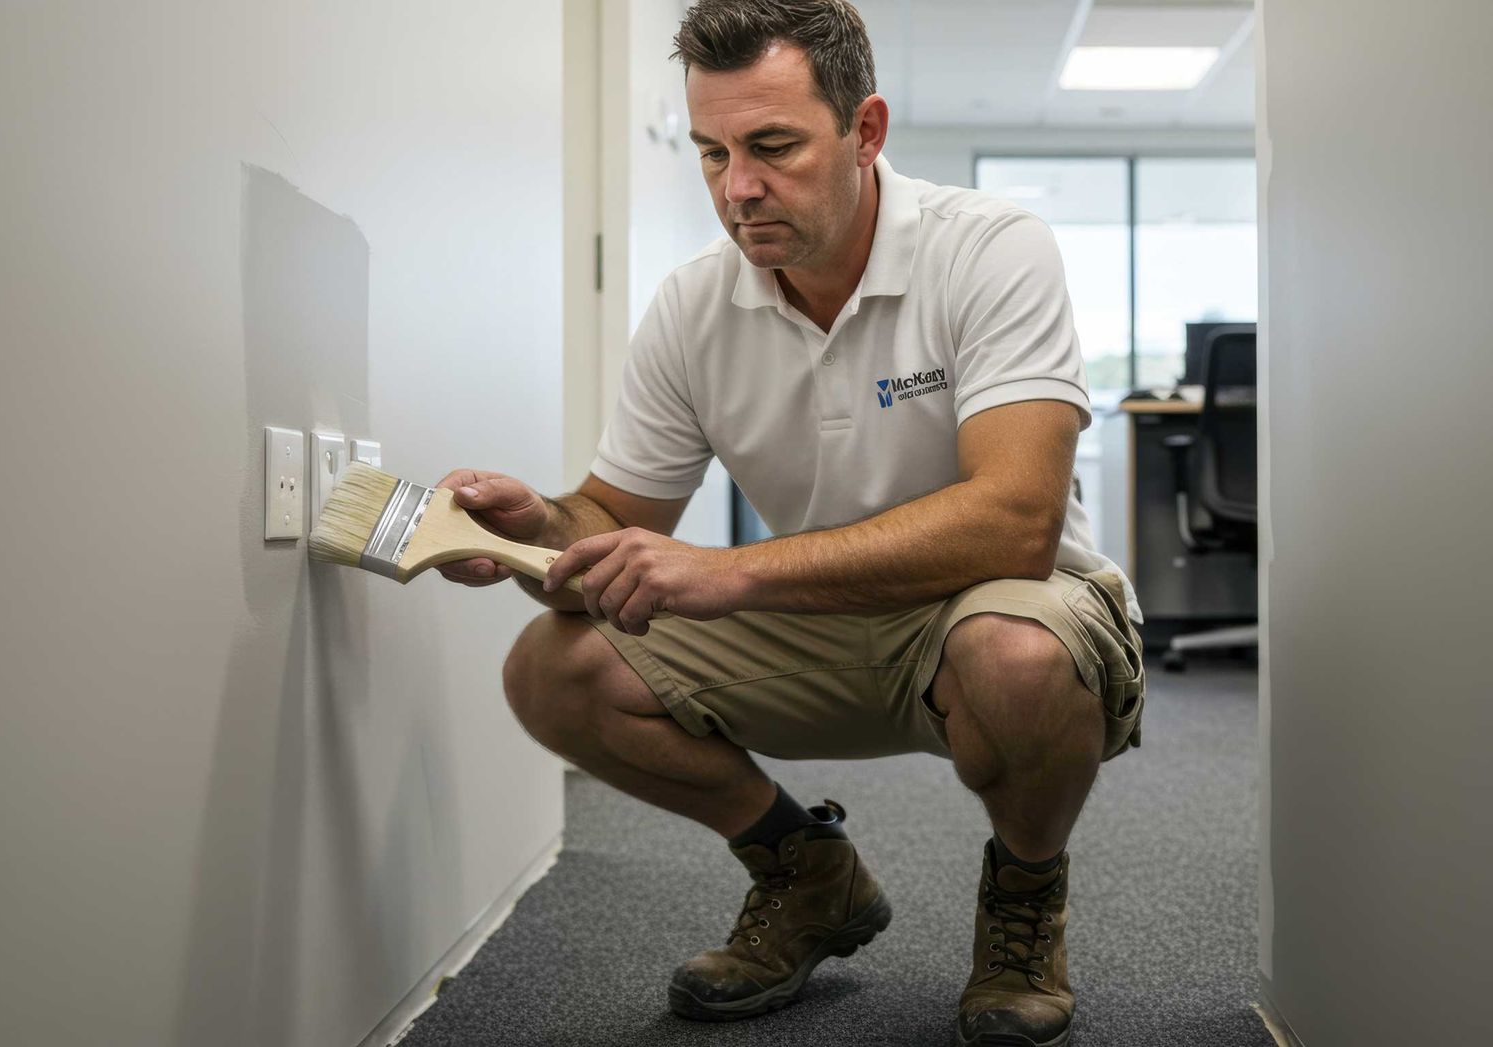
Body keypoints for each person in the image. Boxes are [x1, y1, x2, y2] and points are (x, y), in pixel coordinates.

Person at [435, 1, 1144, 1042]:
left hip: (1001, 611)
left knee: (1015, 655)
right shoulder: (693, 306)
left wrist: (729, 573)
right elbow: (610, 516)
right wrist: (534, 523)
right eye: (713, 152)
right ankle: (806, 875)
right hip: (820, 617)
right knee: (555, 668)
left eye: (772, 146)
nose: (739, 187)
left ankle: (1026, 898)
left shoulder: (990, 248)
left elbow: (1015, 524)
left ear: (865, 131)